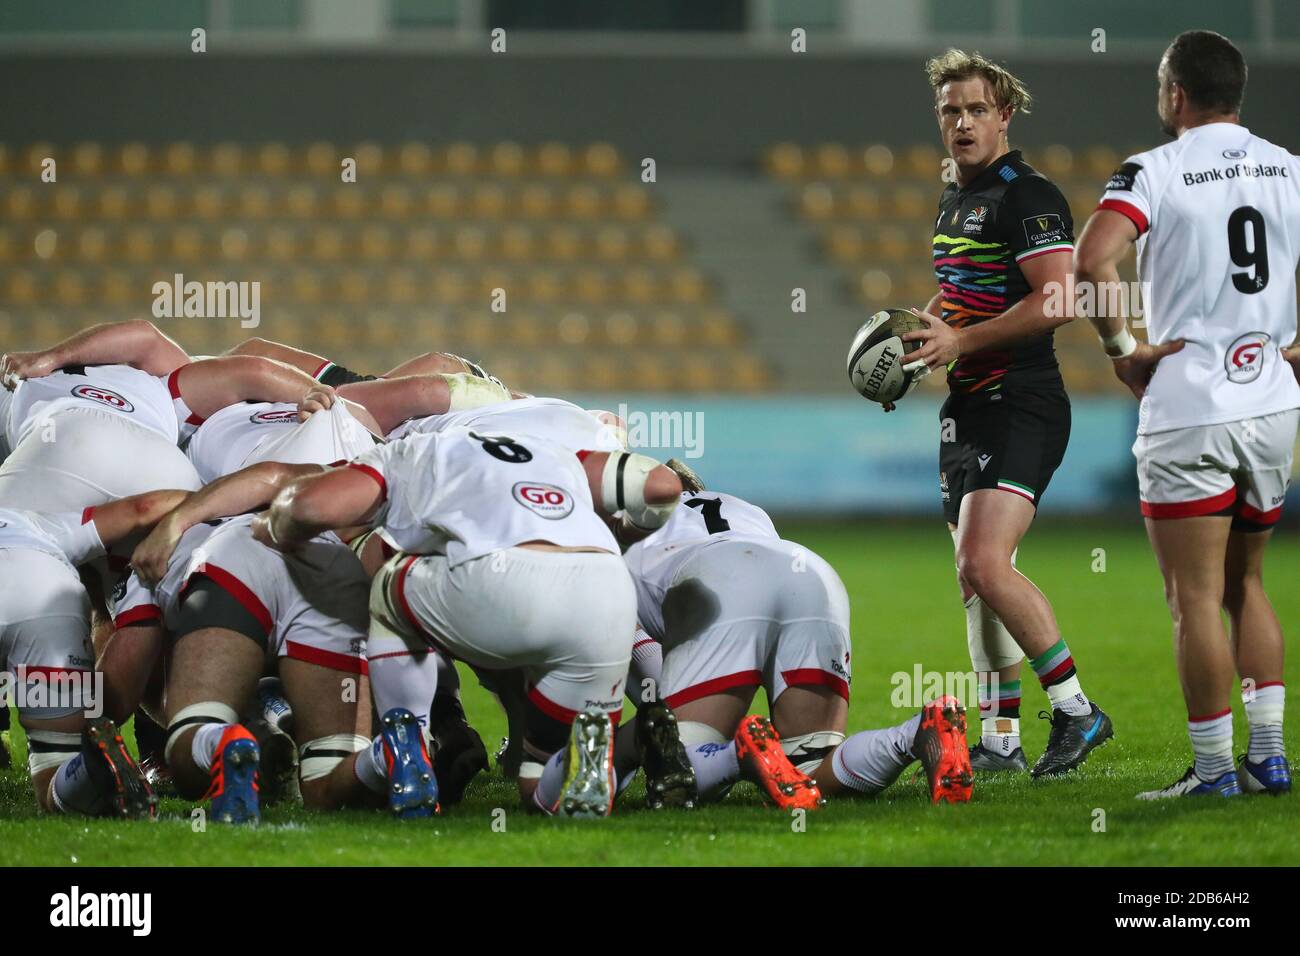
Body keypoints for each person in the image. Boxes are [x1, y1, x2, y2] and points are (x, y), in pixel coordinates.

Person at [1074, 30, 1299, 798]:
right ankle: (1268, 757)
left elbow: (1091, 257)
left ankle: (1213, 772)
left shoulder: (1155, 170)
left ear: (1175, 94)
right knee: (1249, 584)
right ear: (1236, 93)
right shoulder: (1289, 168)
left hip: (1190, 405)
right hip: (1272, 401)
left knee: (1194, 597)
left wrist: (1123, 347)